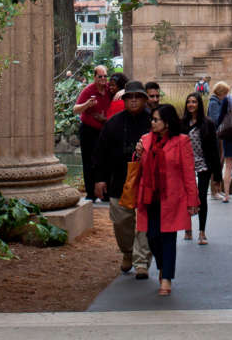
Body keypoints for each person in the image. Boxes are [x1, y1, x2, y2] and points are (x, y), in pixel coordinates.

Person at [135, 103, 199, 295]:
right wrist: (138, 154)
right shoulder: (146, 140)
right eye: (152, 120)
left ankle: (166, 279)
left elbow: (189, 173)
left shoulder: (182, 141)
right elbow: (140, 168)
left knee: (168, 237)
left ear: (167, 123)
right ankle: (163, 266)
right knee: (152, 237)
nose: (152, 123)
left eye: (156, 120)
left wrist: (193, 201)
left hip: (172, 198)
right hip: (150, 197)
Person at [93, 81, 152, 278]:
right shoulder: (113, 123)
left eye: (138, 97)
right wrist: (99, 179)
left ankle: (142, 261)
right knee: (121, 221)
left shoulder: (154, 120)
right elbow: (100, 153)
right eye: (130, 97)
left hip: (147, 180)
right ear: (124, 100)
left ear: (144, 99)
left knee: (145, 221)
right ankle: (128, 252)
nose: (134, 101)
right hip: (119, 180)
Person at [181, 91, 222, 243]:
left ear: (199, 104)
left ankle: (202, 232)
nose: (191, 104)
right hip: (186, 166)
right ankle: (188, 228)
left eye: (194, 102)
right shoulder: (182, 124)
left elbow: (214, 150)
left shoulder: (208, 123)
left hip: (203, 164)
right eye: (189, 102)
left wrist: (217, 175)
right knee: (186, 197)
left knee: (202, 197)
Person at [73, 64, 111, 202]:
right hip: (89, 130)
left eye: (105, 76)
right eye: (100, 76)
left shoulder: (109, 89)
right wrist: (87, 105)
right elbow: (75, 109)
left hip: (104, 130)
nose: (103, 79)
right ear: (94, 77)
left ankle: (106, 192)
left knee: (105, 160)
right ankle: (91, 193)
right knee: (89, 161)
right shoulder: (88, 90)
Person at [208, 81, 229, 197]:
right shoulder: (214, 103)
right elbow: (215, 120)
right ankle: (214, 190)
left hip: (220, 134)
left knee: (220, 163)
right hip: (216, 136)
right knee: (216, 163)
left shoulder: (218, 102)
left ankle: (218, 188)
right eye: (226, 93)